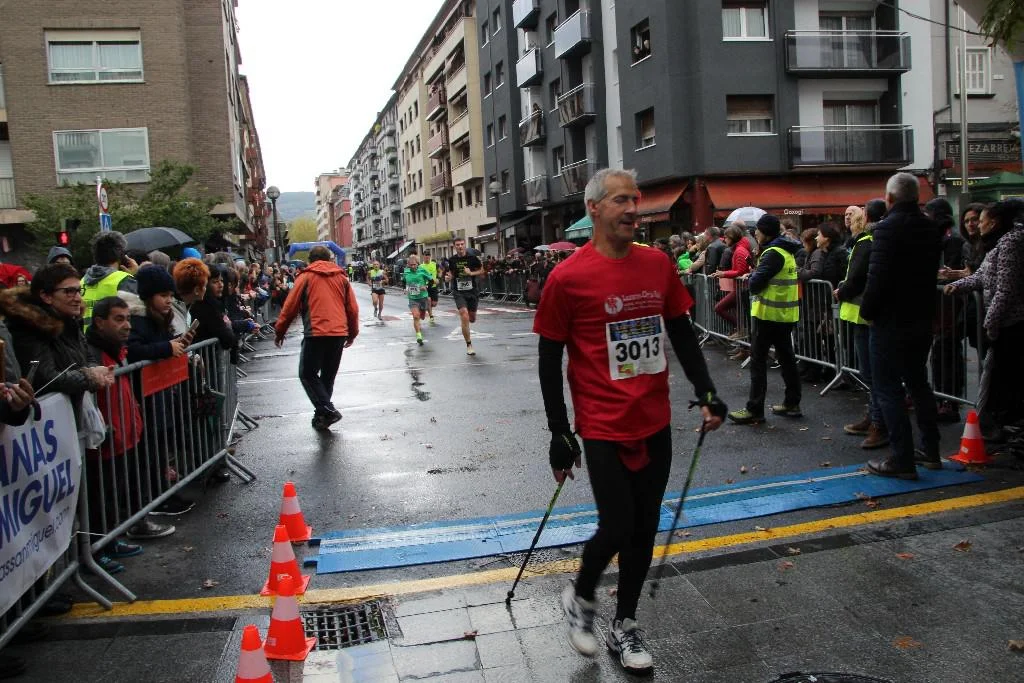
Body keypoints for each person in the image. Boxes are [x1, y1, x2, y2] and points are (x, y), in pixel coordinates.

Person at [534, 168, 726, 676]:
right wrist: (559, 431)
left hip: (653, 417)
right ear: (594, 208)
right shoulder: (567, 277)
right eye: (621, 200)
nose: (632, 209)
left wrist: (707, 392)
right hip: (601, 423)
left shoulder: (656, 264)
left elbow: (681, 333)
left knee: (644, 527)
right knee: (617, 524)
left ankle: (626, 623)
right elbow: (549, 358)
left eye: (635, 200)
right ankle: (580, 595)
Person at [860, 173, 942, 478]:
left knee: (888, 388)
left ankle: (902, 459)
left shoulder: (886, 229)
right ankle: (930, 450)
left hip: (890, 320)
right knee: (919, 383)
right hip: (921, 317)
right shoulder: (930, 227)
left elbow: (877, 277)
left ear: (889, 198)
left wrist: (868, 311)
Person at [87, 296, 175, 542]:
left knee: (123, 486)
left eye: (127, 319)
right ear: (100, 322)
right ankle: (102, 545)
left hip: (125, 431)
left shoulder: (117, 348)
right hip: (108, 436)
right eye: (119, 319)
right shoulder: (93, 352)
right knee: (103, 495)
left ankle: (120, 534)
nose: (127, 325)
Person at [944, 199, 1024, 443]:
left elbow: (1005, 290)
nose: (978, 225)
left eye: (981, 220)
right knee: (995, 375)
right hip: (1002, 322)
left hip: (1011, 324)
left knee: (1005, 378)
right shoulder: (997, 243)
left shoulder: (1011, 243)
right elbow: (982, 276)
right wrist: (958, 285)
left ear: (994, 222)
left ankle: (1007, 426)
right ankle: (1000, 424)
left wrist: (990, 323)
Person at [130, 265, 199, 513]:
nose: (169, 300)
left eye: (170, 295)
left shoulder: (159, 318)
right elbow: (134, 350)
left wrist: (177, 344)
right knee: (150, 450)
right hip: (145, 396)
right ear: (148, 296)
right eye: (163, 295)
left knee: (160, 447)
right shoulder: (137, 320)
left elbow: (160, 345)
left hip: (160, 394)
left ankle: (164, 492)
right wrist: (167, 348)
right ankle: (157, 497)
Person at [275, 245, 359, 431]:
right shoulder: (341, 278)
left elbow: (290, 307)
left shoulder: (305, 277)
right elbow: (352, 309)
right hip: (338, 333)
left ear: (310, 260)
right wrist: (352, 333)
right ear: (329, 259)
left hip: (316, 331)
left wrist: (280, 331)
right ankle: (322, 416)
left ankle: (327, 411)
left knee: (307, 374)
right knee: (327, 376)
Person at [728, 215, 802, 425]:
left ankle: (755, 409)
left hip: (769, 316)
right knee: (787, 359)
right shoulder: (786, 250)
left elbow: (756, 284)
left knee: (758, 362)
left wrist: (752, 276)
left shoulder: (772, 253)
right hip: (785, 314)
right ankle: (792, 403)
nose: (756, 234)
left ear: (766, 232)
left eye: (758, 230)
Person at [835, 201, 887, 449]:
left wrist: (842, 291)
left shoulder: (865, 243)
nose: (849, 220)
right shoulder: (867, 241)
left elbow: (855, 277)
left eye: (854, 216)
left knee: (873, 373)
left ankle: (879, 422)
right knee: (872, 373)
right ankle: (874, 417)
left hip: (864, 314)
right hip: (864, 312)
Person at [81, 231, 139, 324]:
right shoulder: (124, 280)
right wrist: (135, 276)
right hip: (113, 333)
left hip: (86, 333)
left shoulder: (82, 281)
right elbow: (135, 316)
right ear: (121, 255)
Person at [444, 237, 484, 356]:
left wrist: (471, 273)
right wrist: (448, 278)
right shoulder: (452, 260)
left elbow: (482, 271)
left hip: (472, 291)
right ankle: (469, 345)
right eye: (457, 245)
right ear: (454, 246)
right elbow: (450, 274)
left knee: (472, 318)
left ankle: (468, 322)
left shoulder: (472, 258)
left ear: (464, 245)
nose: (460, 246)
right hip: (459, 291)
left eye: (462, 244)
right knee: (464, 315)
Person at [710, 225, 751, 333]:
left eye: (726, 237)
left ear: (732, 237)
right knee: (736, 311)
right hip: (740, 288)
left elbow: (740, 271)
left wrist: (724, 273)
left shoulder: (739, 251)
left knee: (719, 308)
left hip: (741, 288)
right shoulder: (738, 249)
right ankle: (741, 331)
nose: (724, 240)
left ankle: (742, 328)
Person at [403, 254, 432, 345]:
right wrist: (405, 289)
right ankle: (419, 335)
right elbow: (403, 282)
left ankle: (423, 314)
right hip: (413, 298)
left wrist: (426, 286)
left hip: (423, 297)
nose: (413, 266)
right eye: (411, 265)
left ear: (417, 264)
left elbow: (431, 280)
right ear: (408, 265)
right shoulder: (406, 272)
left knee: (422, 316)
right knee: (416, 316)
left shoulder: (422, 271)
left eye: (414, 264)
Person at [421, 252, 439, 325]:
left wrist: (438, 278)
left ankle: (427, 306)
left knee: (434, 304)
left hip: (433, 286)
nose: (427, 257)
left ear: (430, 256)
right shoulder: (421, 266)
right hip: (425, 287)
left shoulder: (434, 264)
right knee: (428, 300)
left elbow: (440, 271)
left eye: (428, 255)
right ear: (423, 256)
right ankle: (431, 317)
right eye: (426, 255)